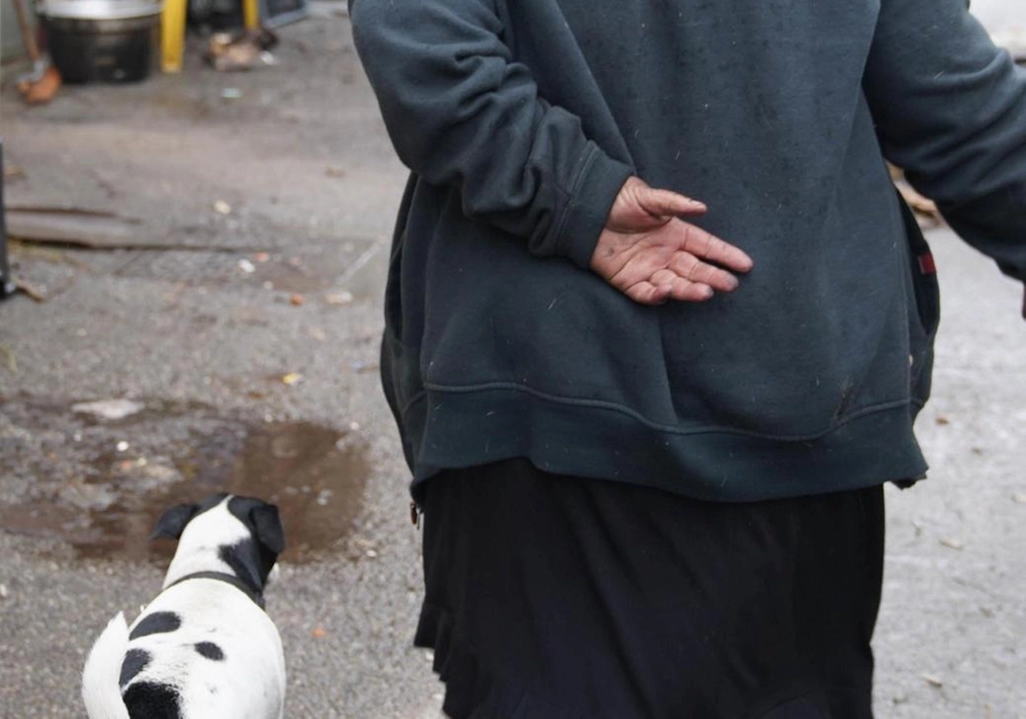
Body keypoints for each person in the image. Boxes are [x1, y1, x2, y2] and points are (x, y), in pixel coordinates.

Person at [349, 0, 1026, 716]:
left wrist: (570, 189)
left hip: (557, 410)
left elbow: (426, 50)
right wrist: (577, 196)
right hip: (755, 404)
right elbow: (955, 99)